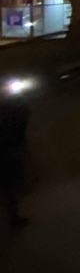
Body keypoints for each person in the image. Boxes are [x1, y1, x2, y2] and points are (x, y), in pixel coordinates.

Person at [0, 92, 30, 230]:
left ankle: (14, 219)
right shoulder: (10, 114)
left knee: (8, 190)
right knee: (8, 190)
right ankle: (14, 219)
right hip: (7, 154)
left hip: (8, 153)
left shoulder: (9, 114)